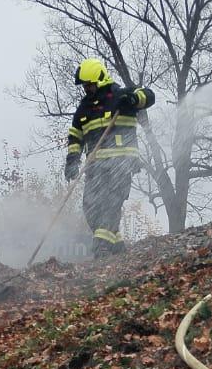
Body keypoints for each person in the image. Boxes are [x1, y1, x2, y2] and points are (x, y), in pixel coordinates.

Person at [64, 59, 155, 257]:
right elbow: (75, 137)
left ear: (100, 79)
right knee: (90, 206)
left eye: (90, 84)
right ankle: (116, 245)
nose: (87, 89)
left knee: (111, 203)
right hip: (95, 166)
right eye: (85, 86)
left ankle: (101, 247)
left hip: (122, 162)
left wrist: (133, 100)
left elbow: (148, 95)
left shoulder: (121, 96)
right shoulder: (83, 110)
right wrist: (72, 160)